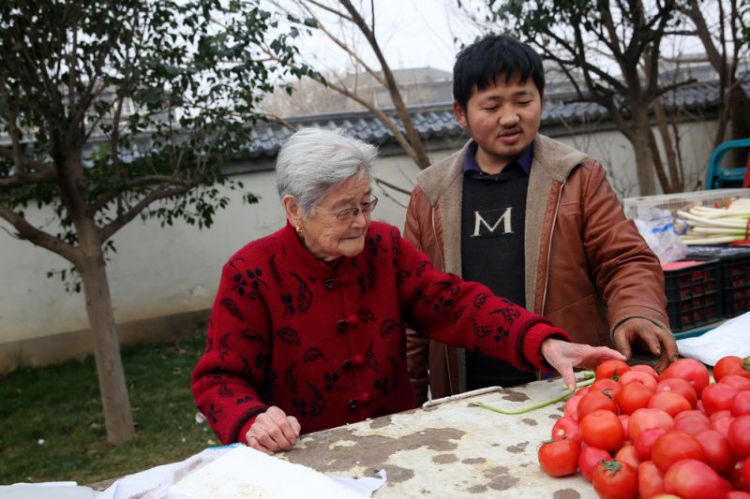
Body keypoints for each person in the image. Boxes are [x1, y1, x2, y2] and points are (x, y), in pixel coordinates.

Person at [192, 127, 625, 454]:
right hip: (306, 462)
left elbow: (455, 305)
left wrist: (541, 341)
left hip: (397, 447)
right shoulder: (251, 273)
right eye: (345, 210)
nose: (362, 221)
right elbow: (219, 379)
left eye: (366, 204)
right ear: (295, 211)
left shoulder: (383, 248)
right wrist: (251, 418)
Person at [404, 34, 678, 404]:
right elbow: (413, 307)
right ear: (460, 113)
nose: (510, 117)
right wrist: (408, 400)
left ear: (542, 100)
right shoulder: (431, 192)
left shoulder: (577, 176)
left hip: (566, 389)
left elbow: (624, 261)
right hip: (467, 400)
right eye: (491, 106)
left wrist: (636, 313)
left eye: (523, 100)